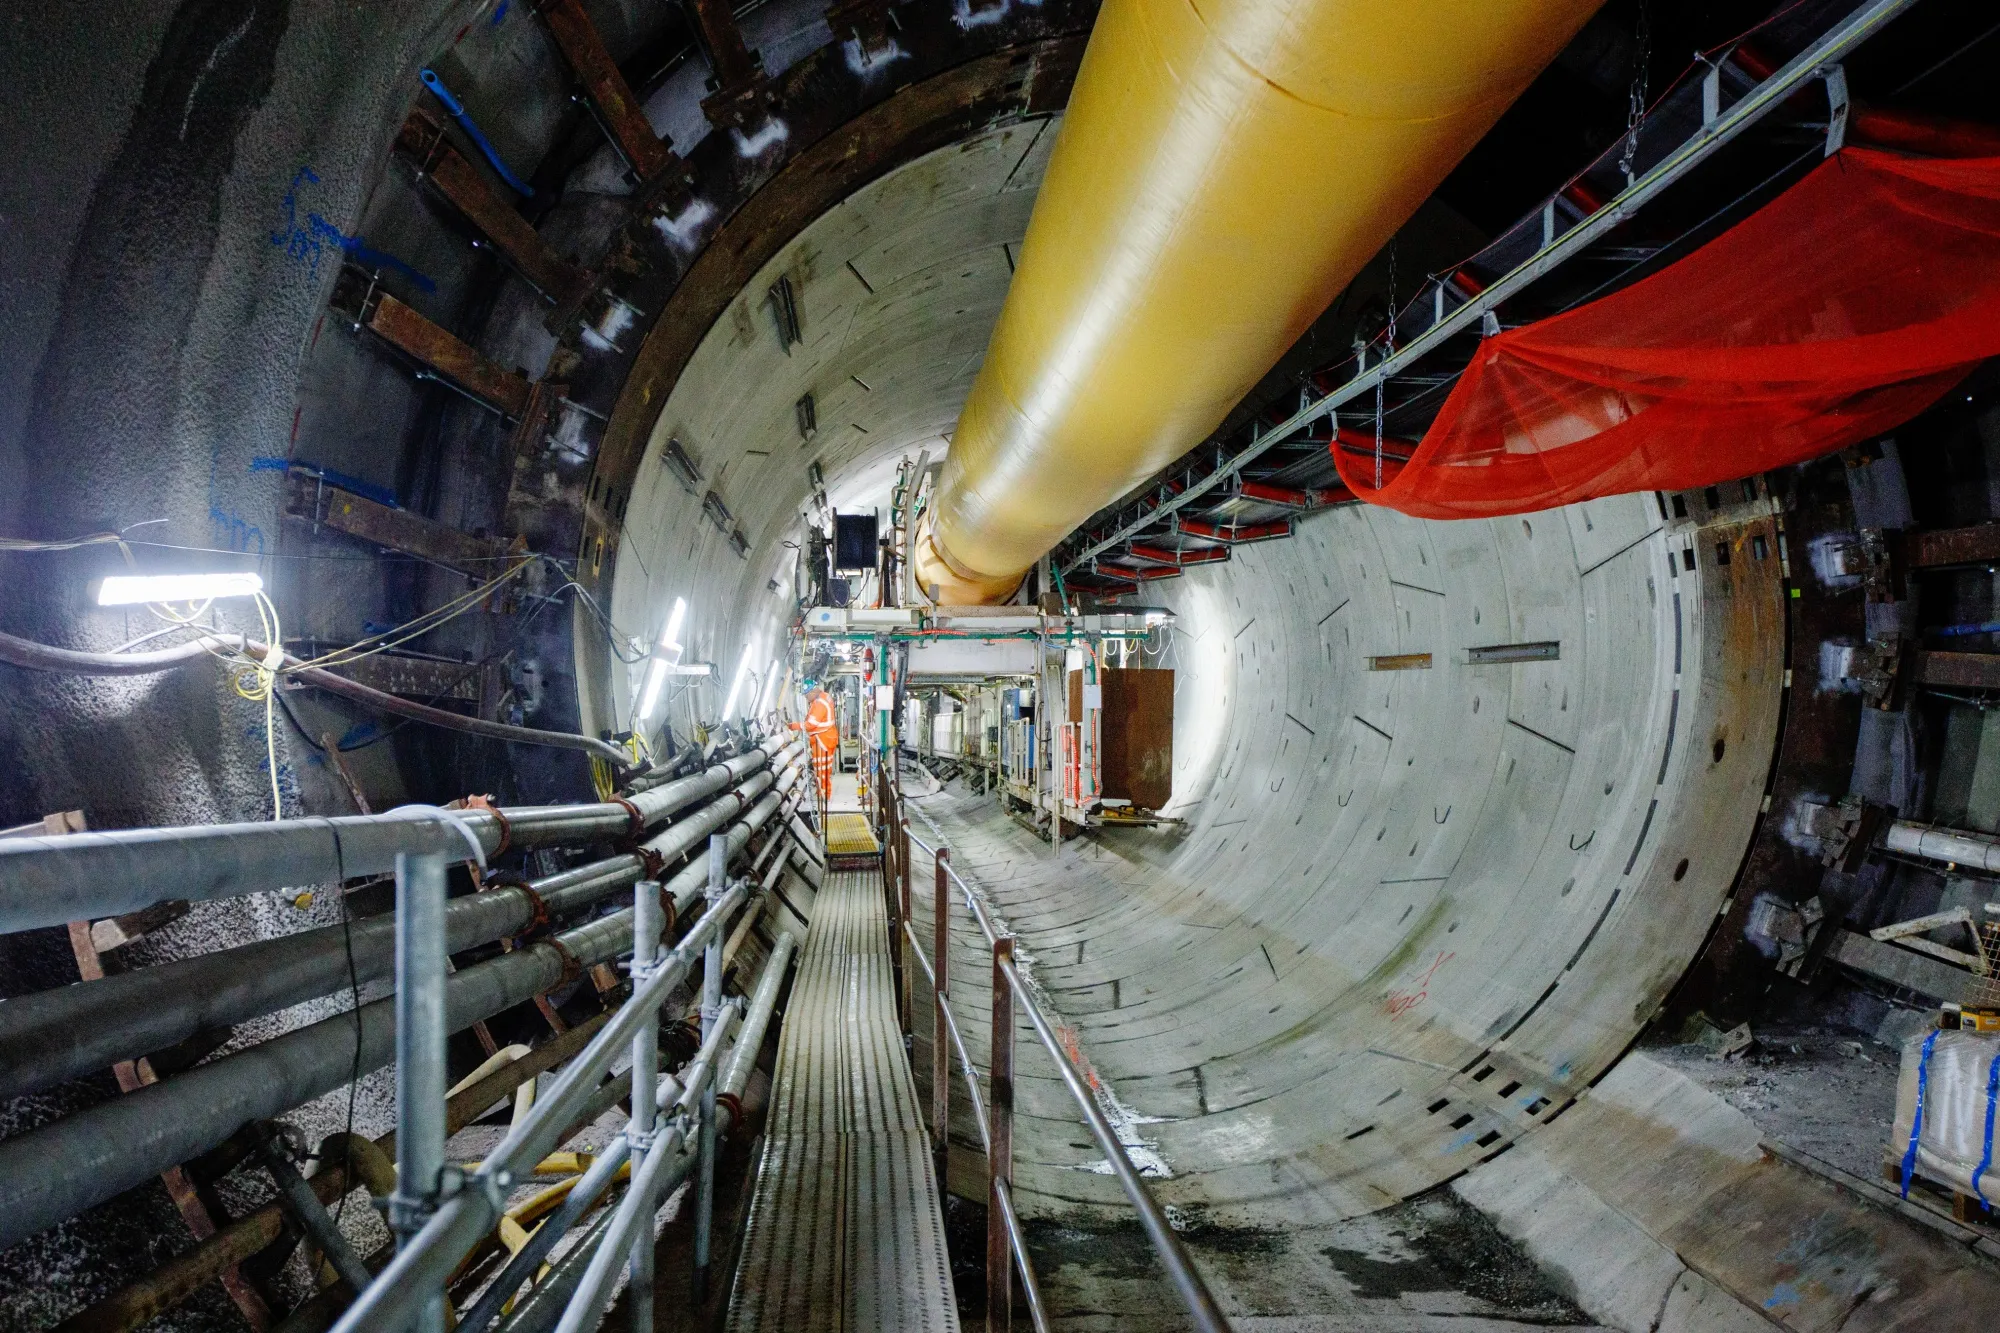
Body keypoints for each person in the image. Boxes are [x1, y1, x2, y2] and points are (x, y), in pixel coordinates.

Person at [795, 679, 837, 802]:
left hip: (822, 741)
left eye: (807, 695)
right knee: (824, 771)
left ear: (813, 691)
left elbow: (810, 725)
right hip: (826, 739)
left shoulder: (819, 703)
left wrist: (794, 726)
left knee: (821, 772)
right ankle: (823, 796)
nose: (806, 698)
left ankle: (823, 799)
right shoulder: (824, 697)